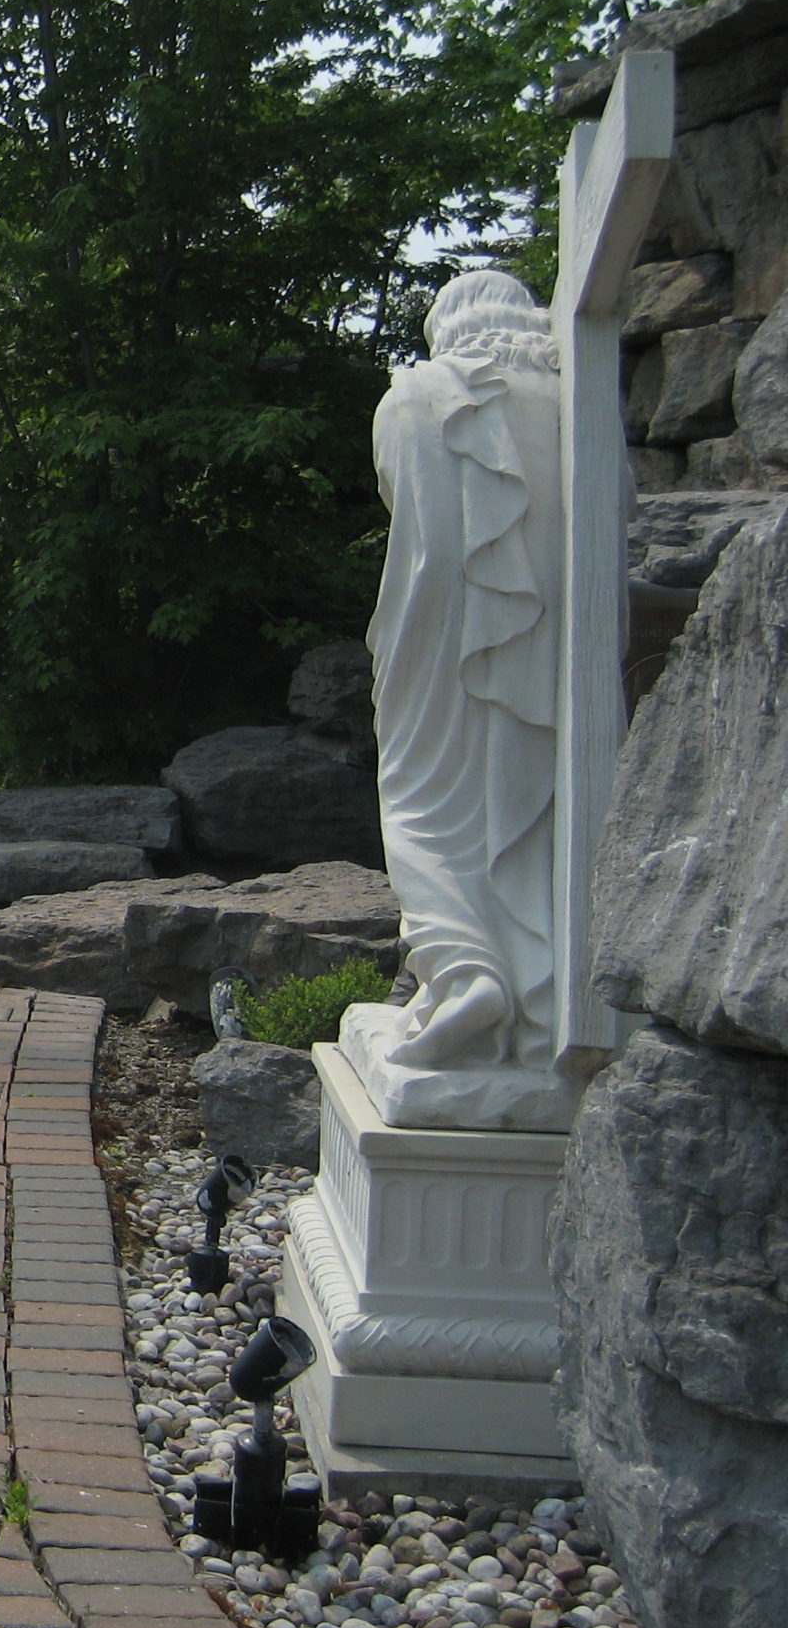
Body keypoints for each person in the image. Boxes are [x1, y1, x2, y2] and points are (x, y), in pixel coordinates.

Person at [363, 269, 562, 1073]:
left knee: (419, 802)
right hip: (553, 644)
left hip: (435, 631)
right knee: (528, 807)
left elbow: (404, 510)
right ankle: (531, 989)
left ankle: (468, 974)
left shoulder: (410, 395)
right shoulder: (574, 401)